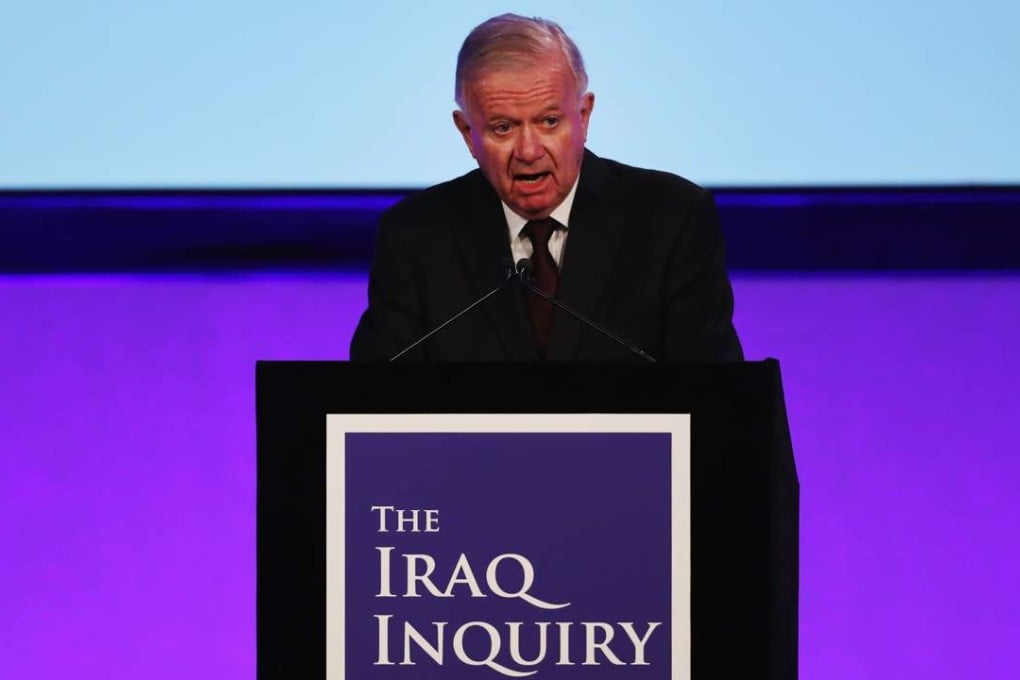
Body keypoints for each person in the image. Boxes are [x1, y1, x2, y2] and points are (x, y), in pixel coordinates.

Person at [350, 14, 743, 362]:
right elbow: (372, 404)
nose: (528, 150)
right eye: (503, 127)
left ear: (584, 116)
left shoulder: (671, 219)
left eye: (550, 121)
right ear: (468, 134)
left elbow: (717, 398)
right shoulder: (415, 237)